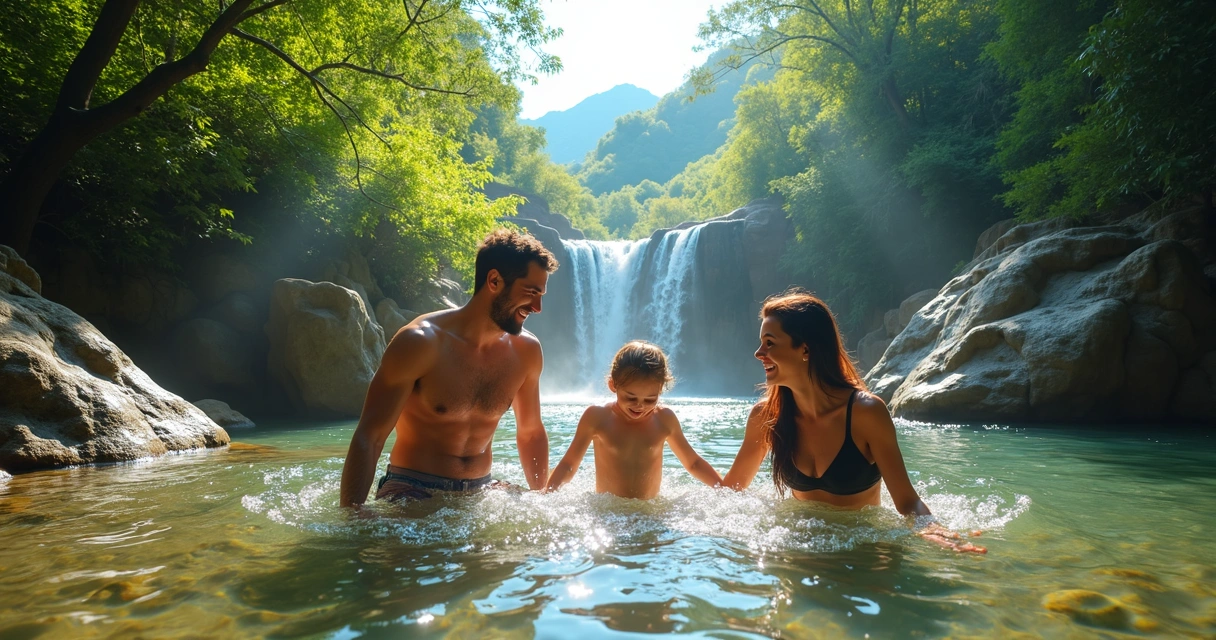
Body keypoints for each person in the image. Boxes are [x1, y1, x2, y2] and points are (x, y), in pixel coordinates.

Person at [723, 290, 986, 553]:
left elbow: (907, 502)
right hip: (798, 552)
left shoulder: (866, 413)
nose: (759, 353)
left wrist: (935, 530)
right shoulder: (766, 417)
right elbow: (729, 492)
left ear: (805, 348)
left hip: (864, 551)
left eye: (769, 343)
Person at [338, 229, 558, 507]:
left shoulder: (527, 351)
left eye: (541, 295)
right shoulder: (420, 342)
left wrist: (542, 499)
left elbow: (531, 433)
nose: (538, 307)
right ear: (494, 280)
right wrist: (352, 515)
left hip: (482, 488)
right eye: (531, 292)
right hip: (412, 488)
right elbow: (369, 437)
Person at [545, 341, 722, 499]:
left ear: (660, 390)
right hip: (609, 513)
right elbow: (569, 464)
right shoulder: (597, 417)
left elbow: (693, 463)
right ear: (613, 385)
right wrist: (549, 493)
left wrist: (723, 489)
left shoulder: (664, 420)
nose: (640, 406)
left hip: (649, 513)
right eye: (630, 397)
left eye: (650, 400)